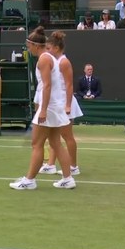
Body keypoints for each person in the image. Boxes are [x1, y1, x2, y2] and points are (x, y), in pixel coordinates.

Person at [9, 27, 75, 190]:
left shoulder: (44, 59)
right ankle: (68, 179)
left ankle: (30, 180)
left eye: (28, 45)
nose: (27, 48)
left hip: (50, 107)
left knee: (36, 144)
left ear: (35, 45)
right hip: (55, 106)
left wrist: (43, 110)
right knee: (55, 143)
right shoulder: (47, 57)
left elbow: (47, 86)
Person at [39, 31, 82, 176]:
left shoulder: (64, 62)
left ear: (56, 48)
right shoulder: (53, 61)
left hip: (65, 102)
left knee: (67, 136)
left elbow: (69, 85)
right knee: (54, 135)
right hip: (57, 101)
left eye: (49, 48)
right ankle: (51, 164)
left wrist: (68, 105)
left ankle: (74, 167)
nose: (47, 50)